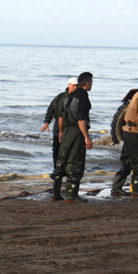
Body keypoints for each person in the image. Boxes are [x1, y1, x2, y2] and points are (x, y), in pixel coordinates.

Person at [51, 71, 93, 202]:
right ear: (87, 83)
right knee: (75, 162)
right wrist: (86, 137)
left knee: (61, 161)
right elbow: (81, 118)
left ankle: (55, 193)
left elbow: (61, 116)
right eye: (91, 82)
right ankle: (71, 194)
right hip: (76, 132)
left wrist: (61, 132)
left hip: (66, 131)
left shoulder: (68, 96)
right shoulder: (82, 96)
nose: (92, 85)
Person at [41, 78, 77, 169]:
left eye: (77, 86)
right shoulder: (60, 97)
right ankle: (56, 168)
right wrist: (47, 122)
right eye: (73, 85)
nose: (75, 87)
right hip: (59, 127)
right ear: (69, 85)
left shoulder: (79, 98)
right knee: (56, 149)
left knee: (71, 150)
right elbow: (51, 109)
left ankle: (68, 169)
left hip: (72, 128)